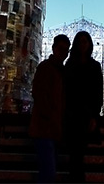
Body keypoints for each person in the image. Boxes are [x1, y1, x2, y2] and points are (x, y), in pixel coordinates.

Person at [63, 30, 103, 182]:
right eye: (80, 41)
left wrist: (94, 116)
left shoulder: (95, 66)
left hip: (86, 115)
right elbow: (66, 90)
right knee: (76, 153)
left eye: (85, 41)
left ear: (89, 44)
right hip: (72, 115)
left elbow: (98, 92)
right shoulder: (70, 65)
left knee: (79, 153)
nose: (82, 45)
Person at [30, 33, 70, 183]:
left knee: (48, 171)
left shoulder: (61, 71)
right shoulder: (46, 68)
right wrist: (51, 117)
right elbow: (39, 95)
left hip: (52, 129)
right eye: (61, 49)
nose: (63, 53)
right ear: (54, 48)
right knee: (48, 173)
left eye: (66, 50)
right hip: (45, 128)